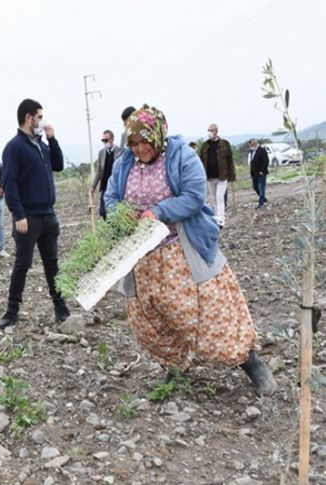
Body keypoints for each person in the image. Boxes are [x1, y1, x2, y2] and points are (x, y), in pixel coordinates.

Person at [103, 105, 276, 396]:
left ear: (157, 136)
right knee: (151, 319)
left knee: (208, 312)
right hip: (143, 259)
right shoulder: (123, 164)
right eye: (133, 144)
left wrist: (157, 212)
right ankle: (174, 367)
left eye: (144, 142)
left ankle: (250, 362)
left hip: (180, 251)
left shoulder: (182, 156)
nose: (139, 149)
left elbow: (194, 197)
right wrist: (121, 214)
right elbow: (110, 197)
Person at [0, 98, 70, 329]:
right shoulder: (14, 147)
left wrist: (52, 138)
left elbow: (58, 165)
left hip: (48, 215)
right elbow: (10, 183)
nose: (42, 121)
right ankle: (11, 311)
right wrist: (18, 215)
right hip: (28, 217)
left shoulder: (41, 144)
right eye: (39, 117)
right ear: (28, 117)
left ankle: (61, 309)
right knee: (22, 264)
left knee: (52, 264)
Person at [198, 123, 235, 227]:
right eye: (208, 130)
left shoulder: (225, 144)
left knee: (220, 197)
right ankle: (216, 217)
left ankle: (221, 218)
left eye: (211, 130)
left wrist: (232, 175)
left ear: (216, 132)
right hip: (209, 176)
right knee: (214, 198)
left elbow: (230, 160)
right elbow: (200, 161)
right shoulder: (205, 145)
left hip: (222, 176)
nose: (209, 132)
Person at [90, 129, 121, 219]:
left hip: (115, 185)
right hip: (105, 185)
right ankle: (107, 227)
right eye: (103, 140)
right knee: (103, 211)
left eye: (106, 140)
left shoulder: (119, 151)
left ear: (112, 139)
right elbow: (99, 170)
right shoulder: (101, 153)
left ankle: (115, 228)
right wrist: (93, 186)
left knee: (114, 209)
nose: (104, 142)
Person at [248, 138, 269, 208]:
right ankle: (263, 199)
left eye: (251, 145)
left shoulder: (262, 150)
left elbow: (266, 161)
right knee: (255, 187)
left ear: (254, 144)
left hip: (261, 174)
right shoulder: (252, 152)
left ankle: (261, 204)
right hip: (254, 174)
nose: (250, 146)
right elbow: (252, 163)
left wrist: (262, 171)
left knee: (261, 188)